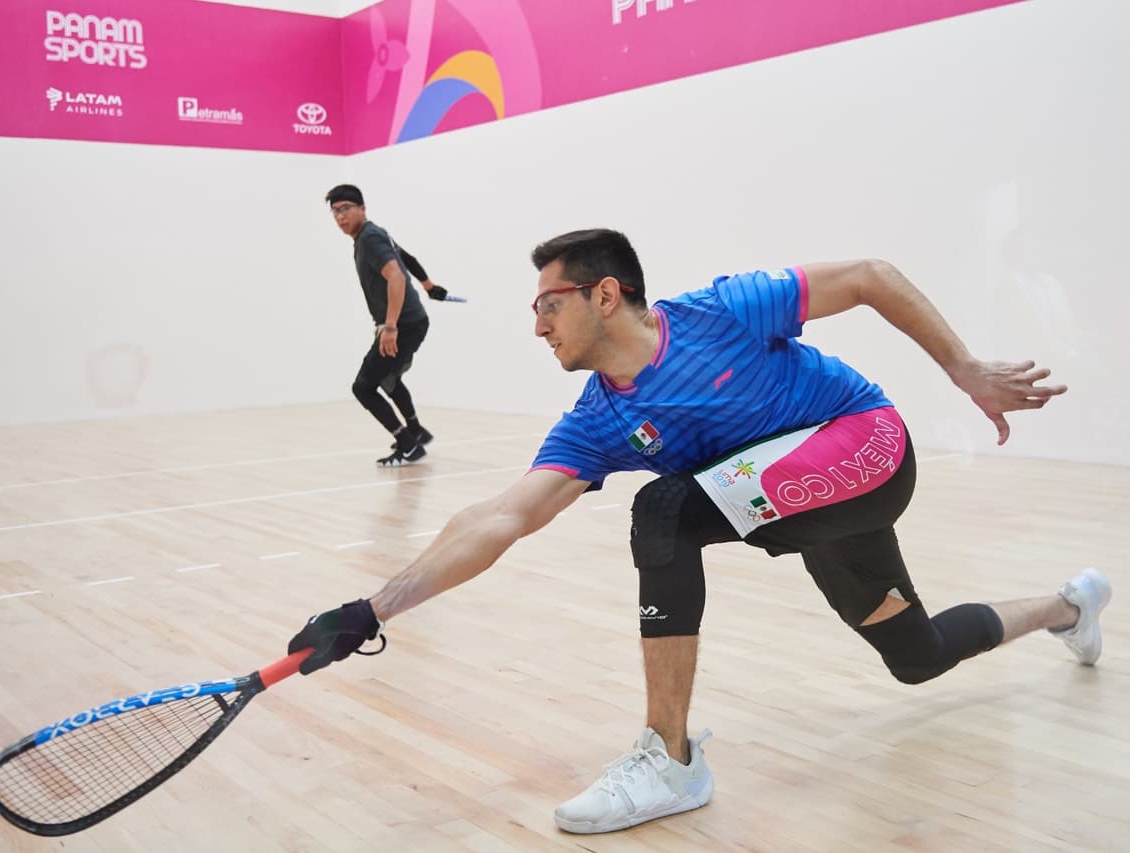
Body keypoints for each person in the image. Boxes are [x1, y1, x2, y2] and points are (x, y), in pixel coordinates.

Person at [287, 229, 1112, 834]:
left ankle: (672, 759)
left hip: (866, 443)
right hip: (801, 501)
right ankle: (1069, 607)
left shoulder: (720, 311)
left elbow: (868, 274)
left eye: (549, 304)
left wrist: (966, 370)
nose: (538, 325)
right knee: (917, 655)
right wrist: (375, 607)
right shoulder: (597, 422)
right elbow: (502, 515)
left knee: (666, 509)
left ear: (603, 293)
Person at [326, 184, 454, 466]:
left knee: (363, 387)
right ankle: (416, 432)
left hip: (404, 325)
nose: (340, 216)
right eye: (335, 211)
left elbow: (396, 276)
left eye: (345, 209)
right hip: (412, 321)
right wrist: (429, 286)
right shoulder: (374, 234)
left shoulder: (370, 238)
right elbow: (406, 259)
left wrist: (390, 327)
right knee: (388, 378)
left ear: (362, 209)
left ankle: (409, 445)